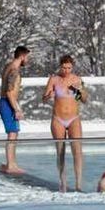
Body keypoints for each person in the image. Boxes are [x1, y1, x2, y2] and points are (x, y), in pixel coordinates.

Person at [43, 54, 86, 192]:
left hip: (73, 118)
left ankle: (78, 184)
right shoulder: (54, 79)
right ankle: (63, 182)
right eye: (64, 67)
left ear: (72, 67)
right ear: (60, 66)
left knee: (77, 151)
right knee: (60, 151)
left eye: (69, 68)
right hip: (58, 118)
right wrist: (48, 96)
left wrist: (77, 90)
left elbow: (84, 99)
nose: (66, 70)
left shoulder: (77, 79)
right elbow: (44, 97)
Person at [0, 46, 31, 175]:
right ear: (22, 56)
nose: (27, 60)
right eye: (27, 57)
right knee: (12, 134)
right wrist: (16, 109)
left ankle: (10, 163)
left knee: (13, 133)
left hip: (5, 102)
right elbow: (10, 92)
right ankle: (11, 165)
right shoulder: (14, 71)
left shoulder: (8, 66)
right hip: (7, 103)